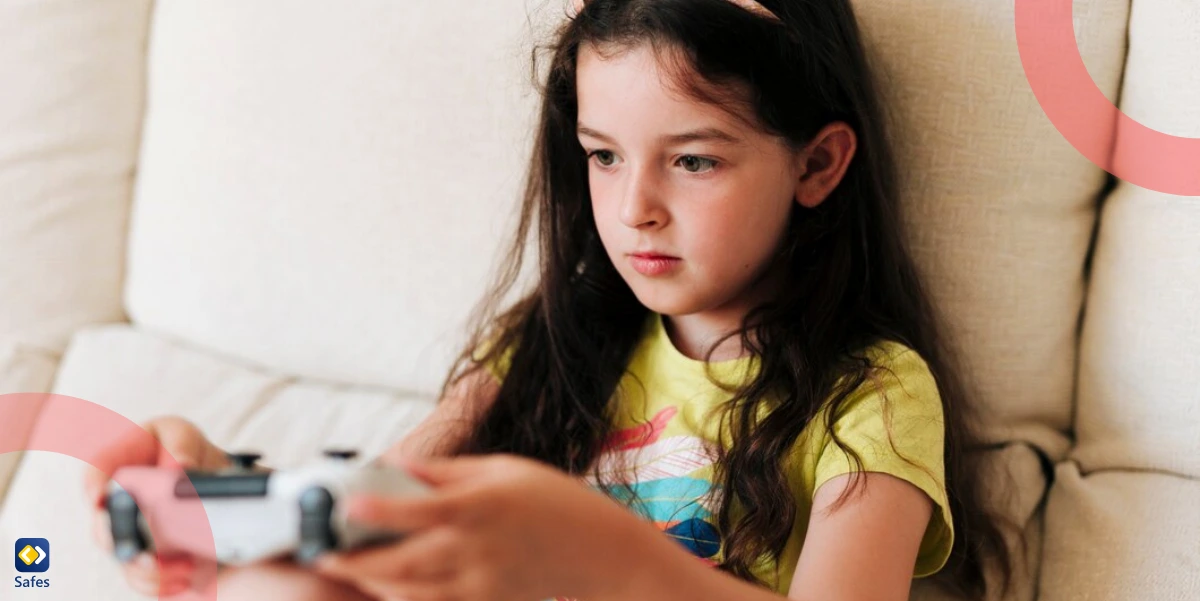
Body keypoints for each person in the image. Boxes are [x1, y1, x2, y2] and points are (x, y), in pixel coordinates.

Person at [84, 0, 1016, 599]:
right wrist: (221, 496)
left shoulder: (873, 394)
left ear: (817, 163)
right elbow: (376, 514)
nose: (635, 208)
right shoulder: (556, 339)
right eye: (604, 154)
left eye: (693, 160)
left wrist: (593, 552)